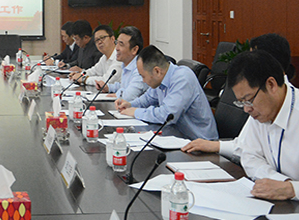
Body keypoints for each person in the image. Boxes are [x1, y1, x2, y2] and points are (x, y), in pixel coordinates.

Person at [182, 33, 293, 161]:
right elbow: (247, 148)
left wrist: (216, 146)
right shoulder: (257, 100)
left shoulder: (266, 99)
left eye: (253, 58)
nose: (246, 108)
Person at [227, 50, 299, 200]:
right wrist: (279, 182)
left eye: (248, 100)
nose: (246, 109)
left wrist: (292, 189)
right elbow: (249, 156)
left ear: (271, 85)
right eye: (241, 102)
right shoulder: (260, 113)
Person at [116, 45, 218, 140]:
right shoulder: (161, 78)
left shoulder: (182, 78)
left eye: (143, 76)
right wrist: (130, 105)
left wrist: (135, 112)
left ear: (157, 71)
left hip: (199, 142)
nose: (143, 81)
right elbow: (148, 98)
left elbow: (166, 115)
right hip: (176, 136)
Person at [95, 26, 148, 101]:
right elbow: (124, 86)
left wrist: (116, 94)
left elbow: (129, 96)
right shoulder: (126, 64)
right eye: (117, 43)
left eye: (121, 44)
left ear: (134, 49)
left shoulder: (140, 69)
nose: (116, 48)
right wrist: (108, 87)